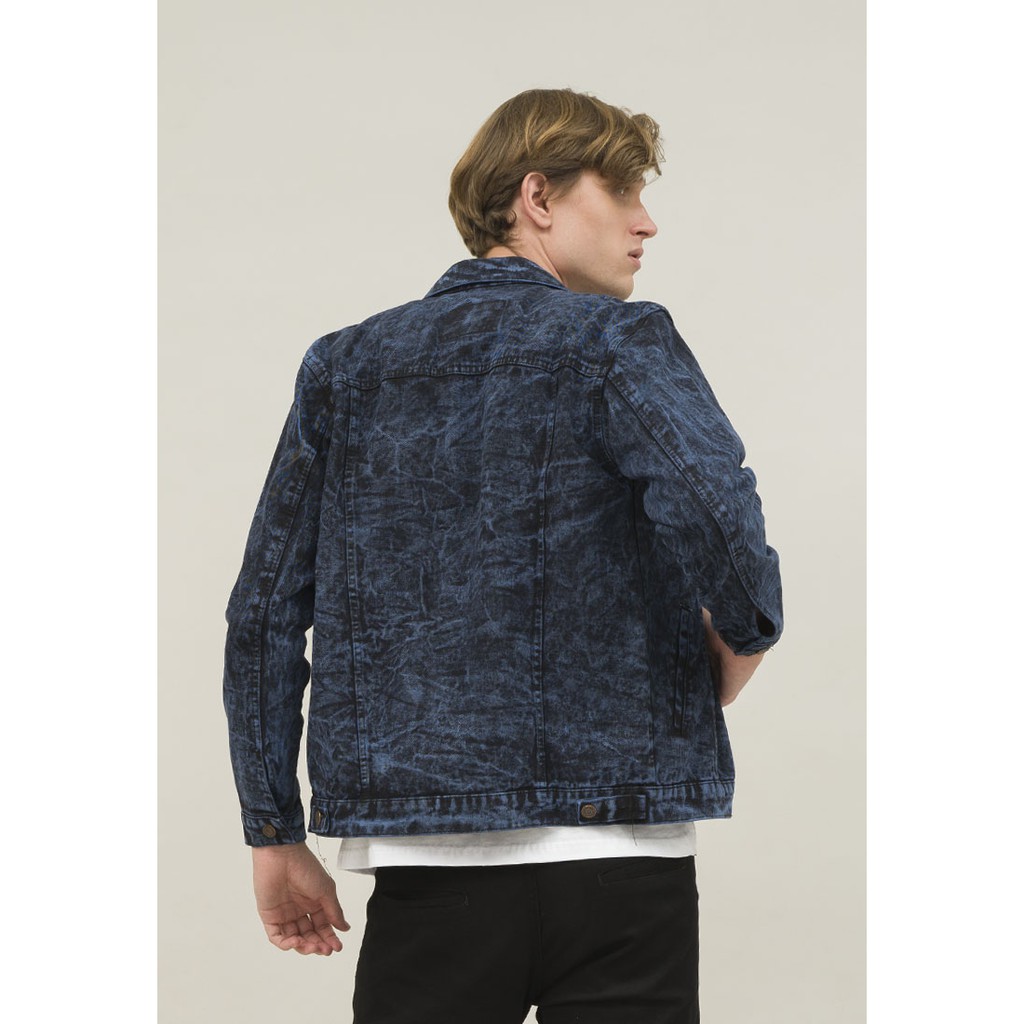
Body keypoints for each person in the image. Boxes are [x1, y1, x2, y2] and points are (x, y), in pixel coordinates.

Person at [224, 87, 783, 1023]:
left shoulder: (346, 367)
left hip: (427, 871)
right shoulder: (619, 343)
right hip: (621, 862)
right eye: (623, 191)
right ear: (539, 197)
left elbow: (265, 610)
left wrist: (273, 829)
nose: (647, 222)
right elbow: (719, 508)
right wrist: (743, 637)